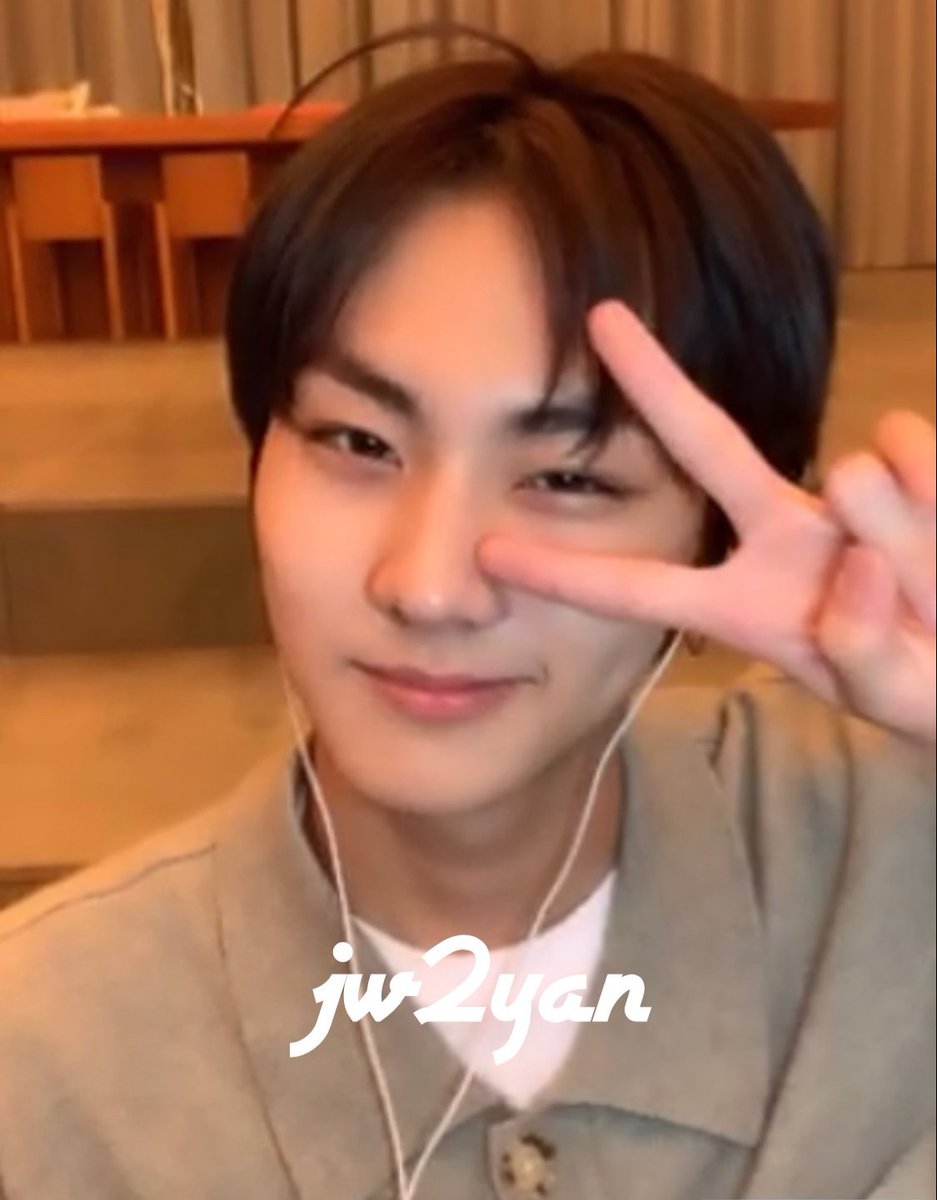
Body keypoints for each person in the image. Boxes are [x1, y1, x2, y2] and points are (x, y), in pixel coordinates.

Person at [1, 24, 933, 1200]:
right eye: (357, 441)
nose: (429, 586)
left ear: (718, 530)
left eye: (570, 476)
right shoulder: (46, 1057)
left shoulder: (894, 856)